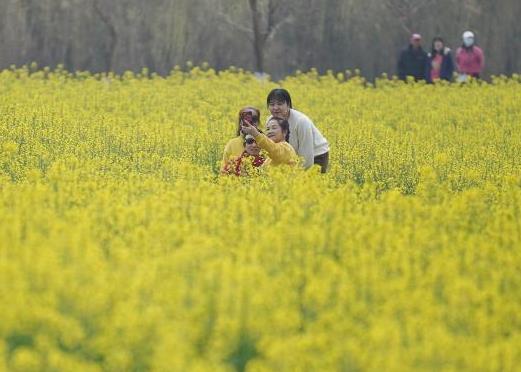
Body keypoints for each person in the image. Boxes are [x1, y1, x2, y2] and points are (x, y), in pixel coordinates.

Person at [265, 88, 329, 172]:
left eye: (279, 104)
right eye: (272, 104)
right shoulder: (270, 121)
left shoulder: (301, 121)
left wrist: (297, 176)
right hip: (292, 156)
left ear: (288, 105)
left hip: (316, 155)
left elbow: (307, 156)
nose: (275, 108)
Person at [221, 106, 261, 172]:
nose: (250, 122)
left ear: (258, 122)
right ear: (241, 122)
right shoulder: (232, 144)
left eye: (254, 119)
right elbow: (223, 172)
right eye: (246, 119)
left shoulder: (266, 142)